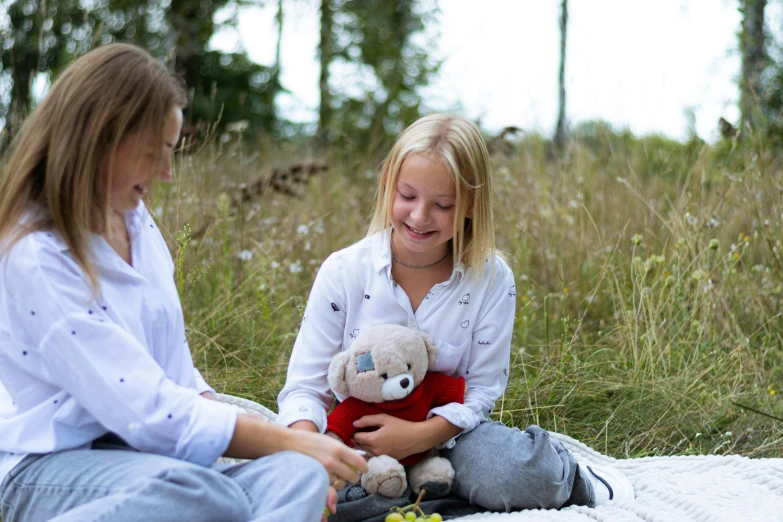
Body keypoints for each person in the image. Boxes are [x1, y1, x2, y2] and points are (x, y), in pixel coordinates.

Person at [0, 43, 366, 522]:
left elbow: (174, 372)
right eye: (155, 153)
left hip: (151, 467)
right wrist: (286, 437)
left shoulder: (136, 222)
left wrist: (291, 452)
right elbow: (147, 407)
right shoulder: (36, 255)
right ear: (101, 138)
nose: (167, 174)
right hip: (46, 469)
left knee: (298, 475)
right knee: (202, 494)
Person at [277, 114, 634, 521]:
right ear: (387, 189)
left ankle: (577, 481)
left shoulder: (491, 278)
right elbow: (305, 388)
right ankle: (434, 500)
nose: (419, 216)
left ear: (469, 206)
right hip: (357, 443)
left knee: (519, 475)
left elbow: (481, 388)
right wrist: (314, 458)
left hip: (450, 441)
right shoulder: (344, 271)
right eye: (407, 196)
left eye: (442, 205)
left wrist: (419, 435)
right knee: (320, 497)